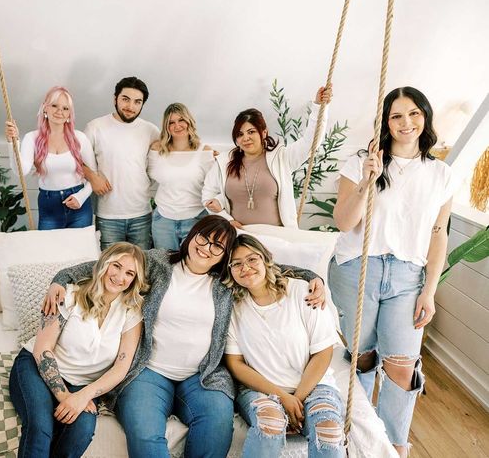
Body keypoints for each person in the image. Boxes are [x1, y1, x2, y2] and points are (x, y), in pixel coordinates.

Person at [43, 215, 325, 458]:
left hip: (203, 375)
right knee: (143, 434)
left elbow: (267, 268)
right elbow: (107, 264)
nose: (207, 248)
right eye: (204, 238)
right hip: (149, 371)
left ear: (224, 256)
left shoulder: (226, 280)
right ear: (192, 235)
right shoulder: (158, 262)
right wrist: (60, 279)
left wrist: (313, 276)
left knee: (216, 428)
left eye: (218, 246)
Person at [328, 87, 454, 457]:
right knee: (360, 361)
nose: (406, 123)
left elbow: (438, 233)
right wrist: (368, 180)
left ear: (425, 117)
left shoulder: (441, 173)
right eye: (397, 116)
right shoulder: (360, 162)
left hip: (407, 278)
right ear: (385, 122)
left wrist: (429, 291)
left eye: (414, 113)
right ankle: (358, 439)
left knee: (403, 367)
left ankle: (394, 446)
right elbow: (343, 222)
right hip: (357, 269)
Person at [9, 242, 147, 458]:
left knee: (82, 429)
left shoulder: (131, 311)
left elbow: (121, 367)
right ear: (104, 263)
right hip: (37, 368)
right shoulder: (70, 295)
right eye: (117, 266)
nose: (120, 277)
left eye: (129, 273)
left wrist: (83, 396)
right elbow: (42, 349)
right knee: (40, 426)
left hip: (83, 385)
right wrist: (64, 395)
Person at [223, 234, 344, 457]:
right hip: (262, 389)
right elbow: (235, 364)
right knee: (270, 423)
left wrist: (296, 398)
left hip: (314, 385)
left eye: (252, 259)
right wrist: (282, 397)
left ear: (267, 259)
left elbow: (323, 351)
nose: (245, 267)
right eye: (236, 263)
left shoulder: (302, 291)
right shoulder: (233, 307)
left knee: (328, 432)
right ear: (229, 271)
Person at [202, 86, 332, 228]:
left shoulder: (282, 158)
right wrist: (227, 220)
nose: (246, 138)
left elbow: (311, 141)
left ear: (263, 133)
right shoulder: (224, 161)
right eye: (240, 134)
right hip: (238, 237)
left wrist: (319, 107)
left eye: (251, 132)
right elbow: (207, 195)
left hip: (276, 238)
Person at [83, 76, 160, 249]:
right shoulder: (95, 127)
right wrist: (93, 177)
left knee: (141, 269)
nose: (130, 107)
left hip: (142, 214)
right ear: (115, 98)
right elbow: (76, 160)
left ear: (142, 104)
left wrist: (203, 150)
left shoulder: (151, 131)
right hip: (108, 216)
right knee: (109, 269)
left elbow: (173, 151)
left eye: (137, 102)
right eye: (125, 99)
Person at [5, 86, 97, 230]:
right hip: (49, 204)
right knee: (49, 251)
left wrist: (81, 197)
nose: (60, 111)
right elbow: (20, 171)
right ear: (45, 108)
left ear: (69, 114)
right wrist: (13, 142)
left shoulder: (80, 138)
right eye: (54, 105)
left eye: (65, 108)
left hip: (79, 202)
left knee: (80, 251)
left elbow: (94, 175)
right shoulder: (32, 138)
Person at [148, 103, 214, 250]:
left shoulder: (204, 152)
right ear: (166, 126)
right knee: (165, 268)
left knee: (191, 268)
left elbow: (214, 187)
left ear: (189, 121)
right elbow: (149, 175)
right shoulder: (157, 150)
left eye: (181, 120)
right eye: (171, 122)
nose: (177, 126)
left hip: (196, 220)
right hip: (163, 221)